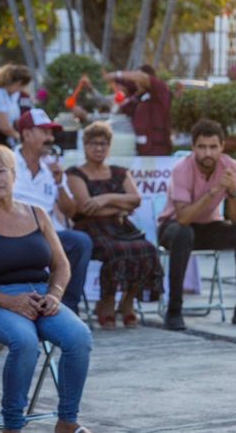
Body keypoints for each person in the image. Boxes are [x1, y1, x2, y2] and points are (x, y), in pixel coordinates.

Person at [0, 145, 93, 433]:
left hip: (40, 296)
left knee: (79, 336)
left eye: (1, 171)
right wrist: (8, 301)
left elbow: (62, 265)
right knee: (25, 342)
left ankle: (67, 421)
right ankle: (12, 426)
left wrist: (54, 295)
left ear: (14, 175)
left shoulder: (37, 214)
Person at [157, 119, 236, 331]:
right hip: (172, 227)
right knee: (183, 233)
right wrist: (214, 191)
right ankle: (173, 310)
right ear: (193, 147)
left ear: (222, 146)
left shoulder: (232, 167)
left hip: (207, 227)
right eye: (202, 147)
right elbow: (183, 218)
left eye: (213, 147)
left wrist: (231, 192)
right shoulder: (181, 169)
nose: (208, 153)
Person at [67, 122, 164, 329]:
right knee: (116, 251)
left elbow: (136, 200)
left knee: (146, 250)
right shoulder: (75, 173)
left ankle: (127, 302)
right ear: (85, 146)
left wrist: (104, 199)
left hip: (120, 226)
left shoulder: (119, 172)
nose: (99, 148)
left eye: (103, 144)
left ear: (109, 147)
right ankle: (106, 302)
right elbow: (86, 208)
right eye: (94, 144)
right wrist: (121, 207)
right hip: (90, 228)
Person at [12, 108, 92, 315]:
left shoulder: (53, 166)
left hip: (48, 233)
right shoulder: (7, 162)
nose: (50, 138)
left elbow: (70, 211)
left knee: (81, 241)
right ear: (26, 134)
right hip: (14, 233)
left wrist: (60, 183)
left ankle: (67, 308)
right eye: (44, 132)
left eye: (51, 133)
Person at [102, 65, 172, 156]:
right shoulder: (138, 97)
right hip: (139, 152)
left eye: (137, 78)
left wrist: (116, 74)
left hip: (158, 153)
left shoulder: (160, 90)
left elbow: (143, 77)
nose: (136, 81)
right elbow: (119, 111)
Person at [0, 64, 33, 147]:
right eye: (21, 86)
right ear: (18, 83)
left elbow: (16, 120)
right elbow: (3, 126)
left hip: (9, 137)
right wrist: (22, 138)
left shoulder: (14, 95)